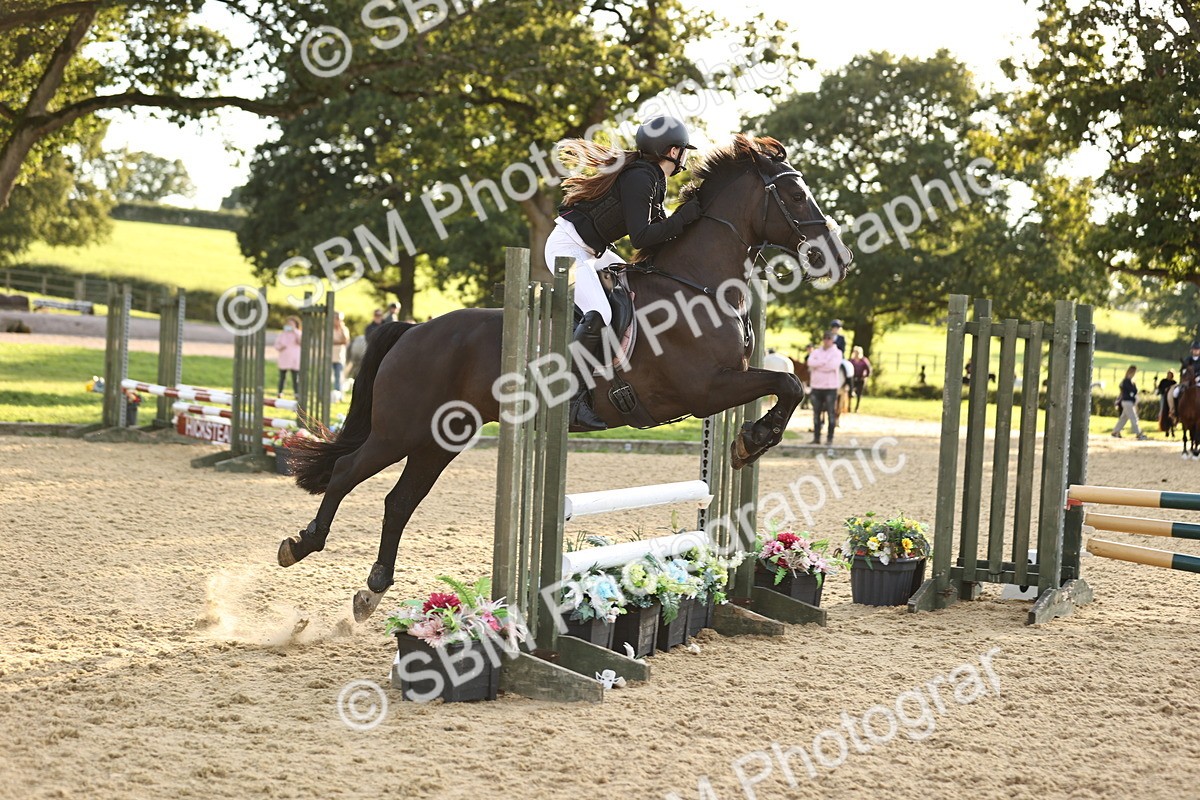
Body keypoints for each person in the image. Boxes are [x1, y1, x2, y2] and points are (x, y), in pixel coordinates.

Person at [546, 115, 702, 430]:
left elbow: (661, 231)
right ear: (672, 151)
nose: (684, 155)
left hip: (593, 252)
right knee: (600, 313)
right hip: (568, 249)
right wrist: (685, 217)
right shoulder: (641, 178)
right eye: (683, 150)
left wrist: (690, 220)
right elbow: (642, 237)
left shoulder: (653, 178)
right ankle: (571, 400)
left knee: (636, 280)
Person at [807, 332, 842, 444]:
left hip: (830, 387)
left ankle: (829, 438)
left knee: (830, 413)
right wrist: (824, 363)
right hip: (816, 386)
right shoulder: (816, 352)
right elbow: (810, 362)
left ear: (832, 340)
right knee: (816, 413)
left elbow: (832, 366)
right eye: (825, 338)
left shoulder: (837, 352)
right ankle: (816, 438)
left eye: (829, 339)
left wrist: (818, 364)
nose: (826, 340)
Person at [1112, 365, 1147, 440]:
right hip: (1127, 402)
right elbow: (1130, 392)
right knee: (1134, 418)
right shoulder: (1126, 381)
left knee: (1123, 418)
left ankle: (1115, 432)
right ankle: (1138, 433)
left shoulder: (1130, 382)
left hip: (1128, 402)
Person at [1170, 341, 1200, 417]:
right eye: (1194, 349)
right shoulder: (1187, 359)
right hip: (1187, 381)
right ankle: (1176, 412)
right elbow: (1182, 370)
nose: (1196, 350)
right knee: (1175, 392)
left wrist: (1198, 377)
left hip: (1199, 380)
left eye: (1197, 349)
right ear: (1191, 350)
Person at [274, 316, 302, 397]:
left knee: (295, 378)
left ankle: (297, 393)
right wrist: (281, 347)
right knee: (282, 377)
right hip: (284, 358)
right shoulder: (282, 334)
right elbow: (277, 345)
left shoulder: (298, 333)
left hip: (294, 359)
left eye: (291, 324)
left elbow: (301, 342)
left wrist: (295, 331)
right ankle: (280, 392)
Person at [849, 345, 872, 412]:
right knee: (850, 392)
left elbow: (869, 369)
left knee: (859, 393)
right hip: (853, 378)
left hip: (860, 379)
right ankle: (849, 406)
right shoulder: (851, 361)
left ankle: (856, 407)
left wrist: (865, 376)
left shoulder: (863, 361)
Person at [331, 312, 349, 393]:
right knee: (325, 377)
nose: (337, 321)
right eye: (336, 319)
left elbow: (345, 340)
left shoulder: (344, 329)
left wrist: (341, 329)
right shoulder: (329, 329)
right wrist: (339, 342)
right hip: (330, 356)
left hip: (340, 357)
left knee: (339, 377)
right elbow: (329, 341)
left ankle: (338, 394)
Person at [1157, 370, 1177, 436]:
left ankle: (1172, 428)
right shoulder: (1163, 381)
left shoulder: (1174, 382)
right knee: (1162, 410)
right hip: (1163, 397)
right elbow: (1159, 389)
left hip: (1170, 399)